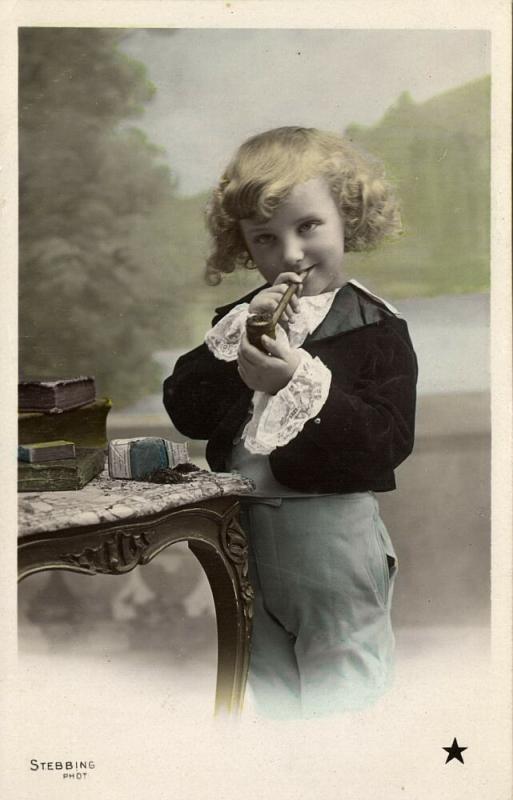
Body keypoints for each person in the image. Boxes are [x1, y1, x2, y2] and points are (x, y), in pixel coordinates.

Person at [163, 126, 418, 719]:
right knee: (270, 690)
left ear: (347, 219)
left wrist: (297, 382)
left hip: (329, 532)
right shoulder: (239, 321)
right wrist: (231, 345)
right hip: (242, 529)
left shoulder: (376, 327)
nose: (292, 255)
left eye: (309, 227)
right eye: (266, 239)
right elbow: (188, 410)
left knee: (344, 688)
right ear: (245, 249)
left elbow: (387, 443)